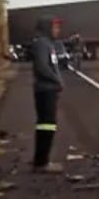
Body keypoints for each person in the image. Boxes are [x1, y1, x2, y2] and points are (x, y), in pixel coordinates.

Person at [31, 17, 64, 172]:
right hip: (45, 90)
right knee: (46, 125)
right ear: (47, 28)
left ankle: (42, 160)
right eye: (55, 27)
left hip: (49, 90)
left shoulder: (47, 44)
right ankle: (42, 162)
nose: (57, 30)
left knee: (48, 125)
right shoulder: (41, 44)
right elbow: (42, 67)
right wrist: (57, 80)